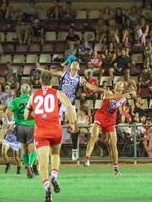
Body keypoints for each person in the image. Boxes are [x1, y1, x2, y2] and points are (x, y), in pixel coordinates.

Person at [25, 71, 76, 202]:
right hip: (55, 130)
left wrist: (38, 116)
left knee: (42, 163)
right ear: (52, 82)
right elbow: (70, 107)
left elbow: (26, 116)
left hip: (41, 131)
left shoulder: (33, 96)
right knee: (55, 155)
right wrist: (72, 123)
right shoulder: (58, 93)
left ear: (40, 81)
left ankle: (47, 186)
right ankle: (54, 175)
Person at [38, 59, 97, 161]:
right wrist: (42, 70)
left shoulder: (80, 79)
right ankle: (51, 149)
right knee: (55, 124)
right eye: (73, 64)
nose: (74, 66)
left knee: (74, 126)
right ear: (70, 67)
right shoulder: (64, 74)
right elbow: (53, 73)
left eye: (76, 65)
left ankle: (74, 149)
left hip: (70, 104)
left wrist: (98, 89)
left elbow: (89, 86)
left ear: (78, 68)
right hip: (60, 102)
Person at [83, 81, 134, 175]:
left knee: (113, 144)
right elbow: (108, 97)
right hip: (101, 117)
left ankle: (116, 168)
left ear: (123, 88)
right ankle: (87, 158)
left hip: (111, 121)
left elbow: (121, 110)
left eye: (120, 84)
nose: (118, 84)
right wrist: (123, 95)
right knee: (94, 137)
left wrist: (131, 98)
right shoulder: (109, 92)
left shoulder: (123, 99)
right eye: (117, 84)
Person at [7, 83, 37, 178]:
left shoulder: (15, 100)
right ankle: (30, 165)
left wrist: (12, 122)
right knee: (33, 148)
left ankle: (27, 164)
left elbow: (8, 112)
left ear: (21, 90)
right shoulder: (34, 100)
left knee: (24, 149)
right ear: (29, 90)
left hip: (20, 126)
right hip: (31, 126)